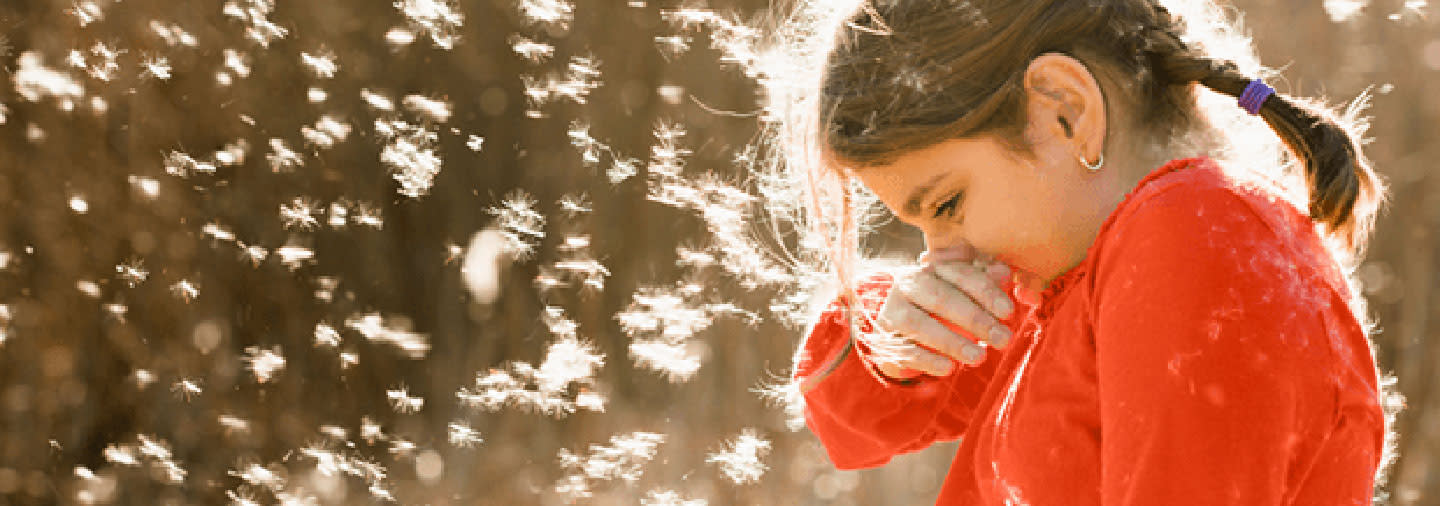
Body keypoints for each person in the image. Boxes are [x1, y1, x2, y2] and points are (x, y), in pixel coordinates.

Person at [775, 1, 1395, 504]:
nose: (941, 257)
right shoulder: (1086, 274)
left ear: (1065, 111)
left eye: (946, 206)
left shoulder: (1190, 236)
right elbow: (851, 411)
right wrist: (898, 338)